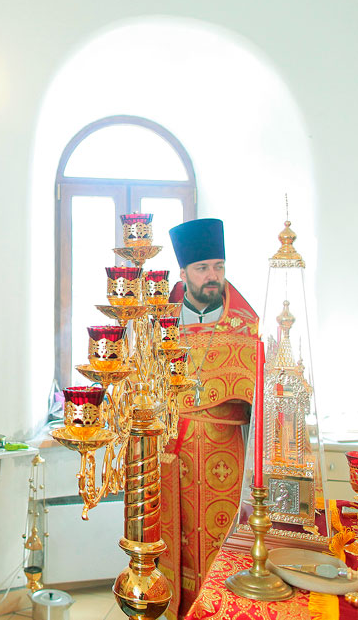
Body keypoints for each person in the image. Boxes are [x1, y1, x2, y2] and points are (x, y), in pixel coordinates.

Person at [159, 218, 259, 618]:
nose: (212, 276)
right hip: (172, 459)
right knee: (175, 545)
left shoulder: (246, 327)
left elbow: (261, 401)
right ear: (183, 274)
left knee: (225, 546)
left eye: (218, 266)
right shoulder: (159, 326)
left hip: (228, 460)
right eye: (202, 268)